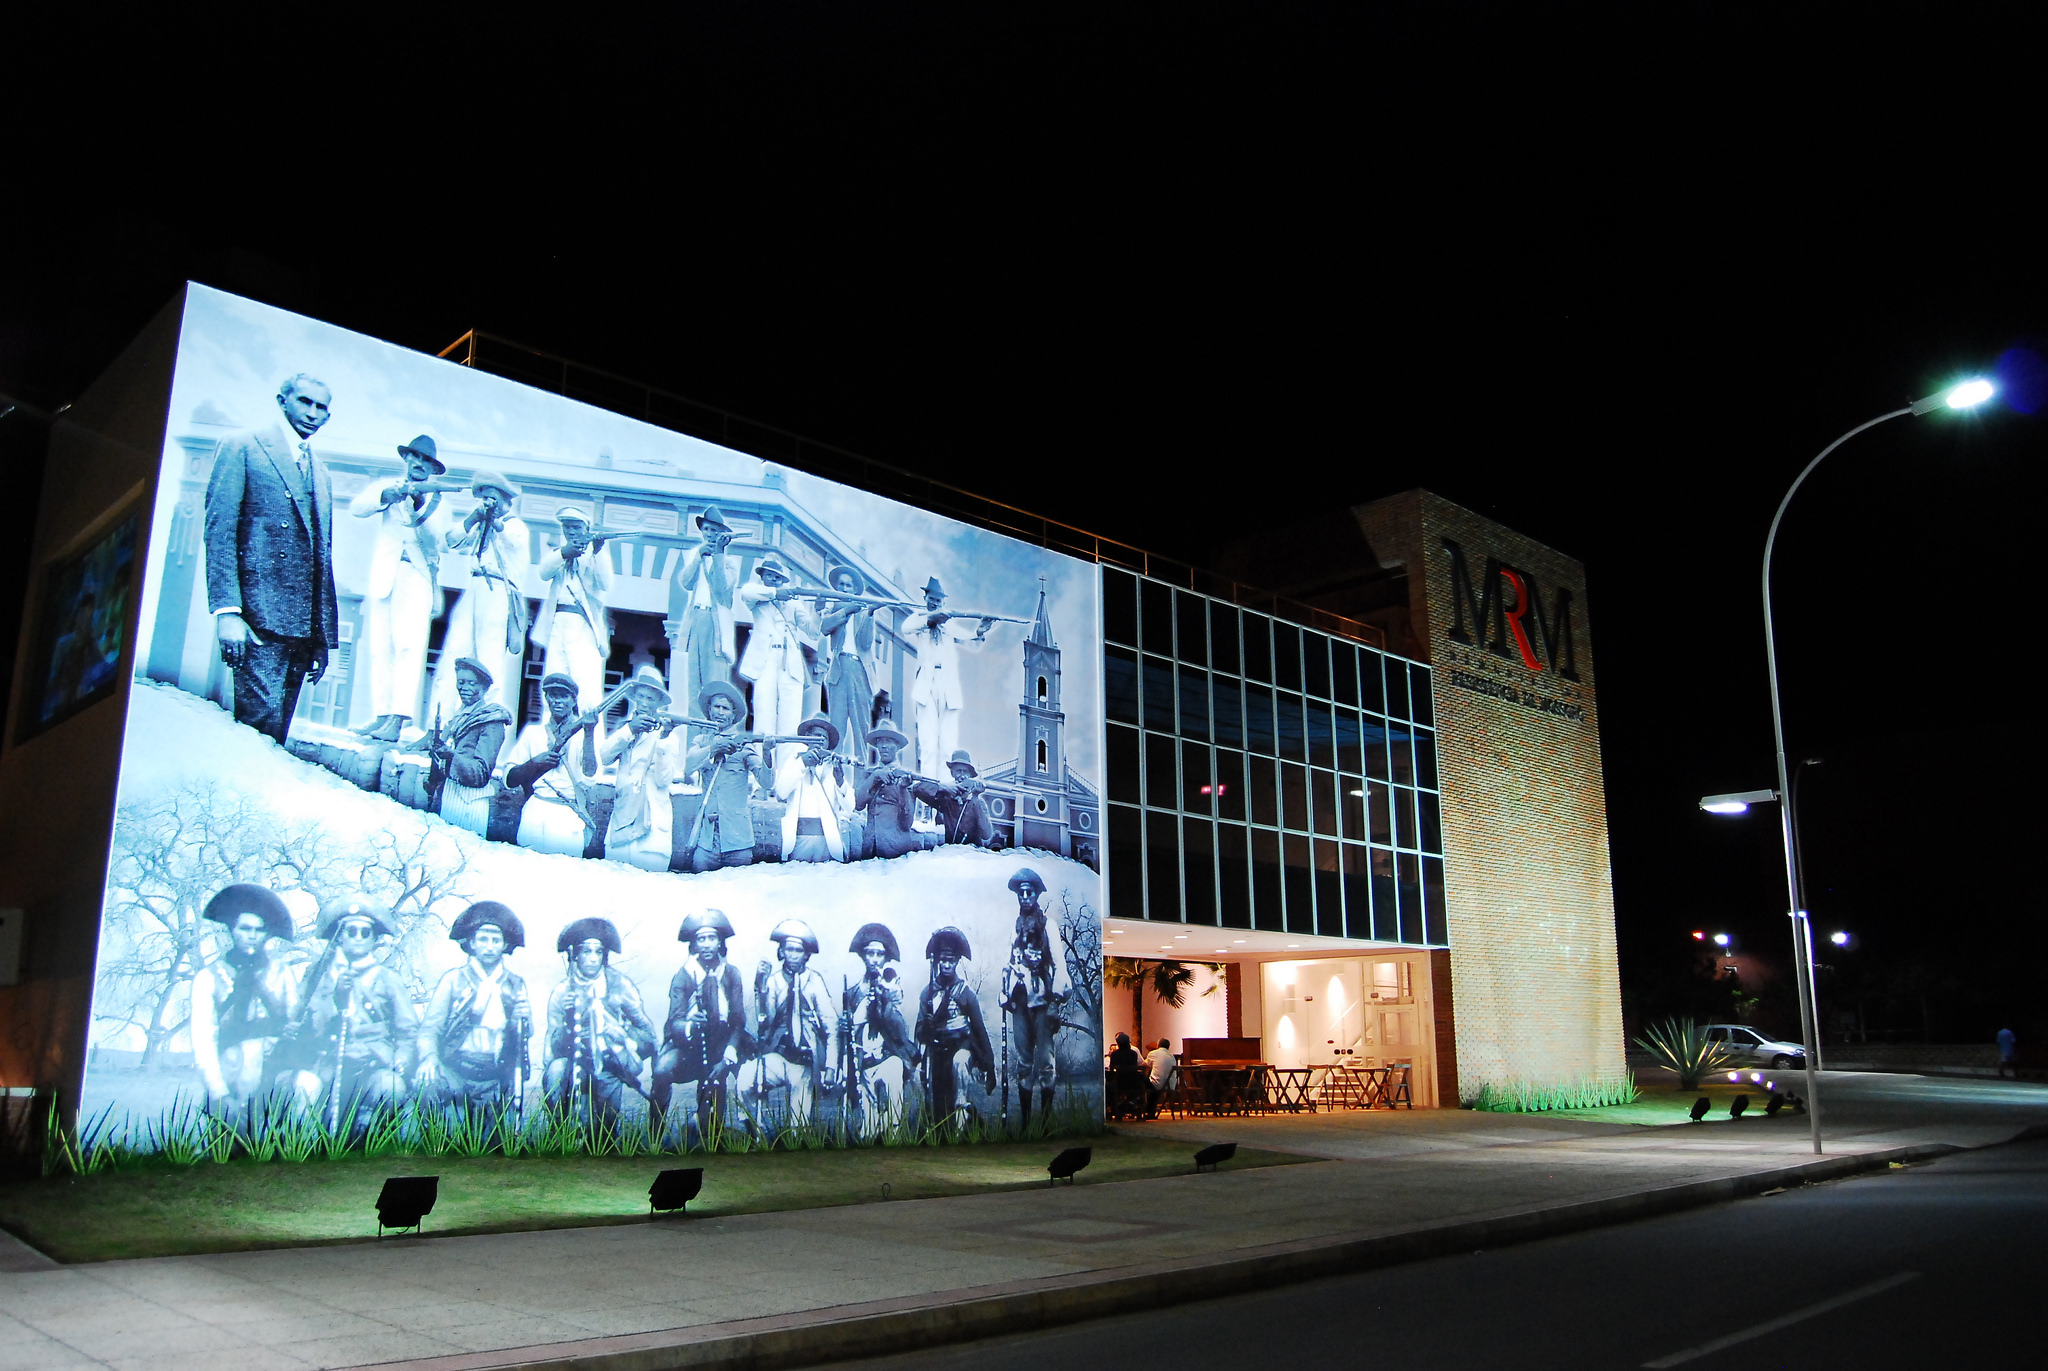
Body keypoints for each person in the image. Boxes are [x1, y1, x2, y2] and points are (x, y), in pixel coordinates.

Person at [202, 372, 339, 745]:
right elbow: (220, 530)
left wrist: (321, 638)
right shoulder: (243, 446)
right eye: (305, 402)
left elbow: (320, 559)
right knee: (255, 732)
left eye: (322, 407)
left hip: (302, 631)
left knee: (275, 735)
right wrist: (227, 612)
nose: (313, 413)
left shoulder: (321, 473)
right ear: (282, 401)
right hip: (257, 620)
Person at [347, 434, 454, 742]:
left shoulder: (438, 500)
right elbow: (358, 507)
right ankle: (381, 715)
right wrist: (388, 495)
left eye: (426, 461)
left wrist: (420, 505)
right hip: (386, 573)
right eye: (415, 457)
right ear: (406, 459)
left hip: (416, 576)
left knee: (409, 647)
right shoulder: (389, 485)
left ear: (433, 469)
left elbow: (439, 540)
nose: (419, 464)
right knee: (380, 648)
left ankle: (398, 719)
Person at [279, 898, 417, 1135]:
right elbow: (300, 1021)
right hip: (324, 1064)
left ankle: (369, 1146)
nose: (358, 937)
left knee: (390, 1087)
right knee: (304, 1093)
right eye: (351, 931)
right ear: (340, 936)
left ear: (374, 940)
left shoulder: (387, 979)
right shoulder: (317, 976)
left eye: (366, 932)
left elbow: (408, 1031)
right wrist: (333, 1000)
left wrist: (401, 1057)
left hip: (369, 1066)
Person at [429, 470, 529, 723]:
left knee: (489, 661)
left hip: (497, 592)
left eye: (493, 499)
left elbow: (510, 540)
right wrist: (474, 518)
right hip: (474, 587)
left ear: (507, 501)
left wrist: (494, 520)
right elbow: (452, 540)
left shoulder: (516, 526)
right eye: (484, 498)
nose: (488, 504)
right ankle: (437, 727)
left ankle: (483, 727)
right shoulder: (480, 523)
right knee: (453, 655)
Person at [189, 884, 298, 1115]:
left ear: (267, 934)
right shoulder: (208, 977)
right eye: (244, 928)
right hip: (230, 1073)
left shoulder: (282, 973)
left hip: (273, 1071)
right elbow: (204, 1041)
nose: (251, 935)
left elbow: (295, 1019)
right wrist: (219, 1092)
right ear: (232, 930)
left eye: (259, 930)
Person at [416, 901, 533, 1114]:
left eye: (496, 940)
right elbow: (430, 1028)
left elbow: (526, 1032)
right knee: (432, 1090)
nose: (489, 946)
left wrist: (520, 1018)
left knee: (491, 1139)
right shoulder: (453, 980)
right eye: (483, 939)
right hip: (455, 1067)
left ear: (505, 945)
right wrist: (429, 1058)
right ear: (471, 943)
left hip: (495, 1072)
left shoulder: (515, 984)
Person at [543, 917, 656, 1128]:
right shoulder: (562, 992)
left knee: (605, 1126)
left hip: (610, 1062)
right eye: (586, 951)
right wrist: (569, 1022)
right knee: (555, 1072)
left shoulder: (620, 985)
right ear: (575, 955)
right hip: (573, 1061)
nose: (593, 958)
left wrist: (623, 1037)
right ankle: (560, 1133)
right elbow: (553, 1045)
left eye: (598, 952)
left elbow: (646, 1033)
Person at [653, 909, 751, 1141]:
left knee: (710, 1129)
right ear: (694, 944)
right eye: (701, 939)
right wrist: (689, 1024)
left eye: (712, 938)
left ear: (720, 942)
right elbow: (673, 1020)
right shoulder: (683, 975)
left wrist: (728, 1055)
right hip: (687, 1048)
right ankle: (655, 1132)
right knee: (662, 1070)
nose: (707, 944)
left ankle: (740, 1129)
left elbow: (738, 1020)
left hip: (721, 1045)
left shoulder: (731, 974)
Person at [742, 919, 840, 1129]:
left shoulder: (814, 981)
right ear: (782, 952)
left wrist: (831, 1066)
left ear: (806, 954)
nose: (794, 955)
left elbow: (831, 1024)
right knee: (745, 1079)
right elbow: (763, 1021)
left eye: (798, 950)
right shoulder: (774, 981)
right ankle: (755, 1130)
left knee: (799, 1125)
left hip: (804, 1060)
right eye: (789, 950)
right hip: (778, 1056)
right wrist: (760, 987)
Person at [500, 673, 607, 857]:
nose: (557, 700)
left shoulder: (584, 735)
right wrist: (534, 763)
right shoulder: (533, 733)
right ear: (546, 698)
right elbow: (509, 779)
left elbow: (589, 778)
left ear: (574, 700)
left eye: (563, 695)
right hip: (534, 809)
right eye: (552, 695)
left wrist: (589, 732)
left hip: (567, 814)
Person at [908, 576, 995, 779]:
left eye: (938, 600)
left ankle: (945, 787)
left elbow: (970, 640)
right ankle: (928, 784)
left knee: (948, 743)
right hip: (926, 687)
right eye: (932, 598)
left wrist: (980, 630)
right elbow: (907, 628)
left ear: (943, 602)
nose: (934, 602)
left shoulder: (949, 625)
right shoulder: (919, 617)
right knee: (928, 743)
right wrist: (931, 620)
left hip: (948, 687)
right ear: (925, 598)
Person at [736, 554, 815, 771]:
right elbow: (746, 592)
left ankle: (784, 774)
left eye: (777, 577)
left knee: (790, 723)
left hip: (789, 662)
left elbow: (812, 630)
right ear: (763, 577)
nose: (773, 579)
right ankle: (762, 773)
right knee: (763, 717)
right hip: (766, 660)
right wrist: (775, 593)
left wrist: (818, 608)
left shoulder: (793, 603)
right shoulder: (757, 596)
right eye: (769, 576)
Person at [600, 665, 681, 871]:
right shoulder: (626, 728)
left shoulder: (668, 735)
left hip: (652, 827)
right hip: (622, 821)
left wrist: (663, 740)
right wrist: (629, 730)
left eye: (650, 699)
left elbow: (664, 780)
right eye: (641, 697)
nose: (644, 703)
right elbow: (605, 756)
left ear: (658, 704)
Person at [533, 506, 612, 712]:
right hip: (558, 621)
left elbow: (605, 583)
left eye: (576, 527)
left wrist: (598, 551)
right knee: (554, 681)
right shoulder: (559, 552)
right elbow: (543, 572)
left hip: (582, 624)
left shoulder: (595, 553)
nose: (571, 531)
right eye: (567, 527)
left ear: (586, 528)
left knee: (586, 687)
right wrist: (563, 553)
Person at [681, 681, 765, 872]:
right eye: (716, 707)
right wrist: (712, 749)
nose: (720, 712)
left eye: (725, 708)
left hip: (738, 838)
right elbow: (687, 767)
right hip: (706, 840)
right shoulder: (701, 741)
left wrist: (767, 753)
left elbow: (766, 782)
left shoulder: (743, 744)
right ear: (709, 711)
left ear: (733, 715)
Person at [914, 927, 994, 1126]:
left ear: (957, 961)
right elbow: (919, 1032)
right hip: (937, 1051)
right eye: (943, 960)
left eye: (951, 961)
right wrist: (927, 1026)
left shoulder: (965, 992)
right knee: (937, 1102)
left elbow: (979, 1028)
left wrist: (989, 1065)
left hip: (961, 1048)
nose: (946, 965)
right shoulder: (928, 993)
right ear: (937, 961)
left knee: (959, 1066)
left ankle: (963, 1118)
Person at [840, 923, 913, 1138]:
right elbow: (849, 1031)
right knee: (868, 1129)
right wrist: (847, 1026)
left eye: (879, 954)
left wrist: (885, 998)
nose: (873, 959)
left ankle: (894, 1132)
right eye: (869, 953)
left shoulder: (893, 989)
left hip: (887, 1057)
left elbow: (899, 1029)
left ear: (886, 958)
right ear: (863, 956)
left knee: (894, 1076)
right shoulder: (852, 993)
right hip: (863, 1061)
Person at [672, 505, 739, 738]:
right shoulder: (696, 555)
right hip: (696, 621)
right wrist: (700, 556)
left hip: (715, 626)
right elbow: (686, 582)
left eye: (715, 530)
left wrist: (718, 556)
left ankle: (714, 740)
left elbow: (721, 590)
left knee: (715, 687)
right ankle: (693, 744)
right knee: (694, 688)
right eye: (707, 529)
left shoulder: (730, 563)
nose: (710, 534)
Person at [429, 657, 512, 836]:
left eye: (471, 683)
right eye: (461, 682)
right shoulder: (457, 718)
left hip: (469, 801)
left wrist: (451, 756)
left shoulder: (491, 721)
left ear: (483, 688)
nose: (464, 688)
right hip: (449, 793)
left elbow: (480, 774)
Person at [816, 566, 882, 761]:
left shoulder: (862, 611)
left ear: (855, 590)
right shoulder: (833, 610)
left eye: (848, 586)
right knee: (836, 727)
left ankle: (861, 779)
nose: (844, 589)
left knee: (861, 726)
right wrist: (845, 610)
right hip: (838, 669)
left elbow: (865, 643)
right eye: (841, 585)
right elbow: (824, 627)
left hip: (859, 670)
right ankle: (832, 777)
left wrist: (869, 614)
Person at [1001, 930, 1061, 1132]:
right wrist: (1008, 992)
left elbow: (1061, 990)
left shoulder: (1048, 970)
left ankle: (1046, 1120)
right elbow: (1005, 995)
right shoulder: (1014, 969)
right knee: (1024, 1063)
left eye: (1038, 953)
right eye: (1030, 953)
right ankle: (1025, 1122)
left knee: (1046, 1062)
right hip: (1022, 1013)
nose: (1034, 957)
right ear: (1023, 951)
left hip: (1042, 1013)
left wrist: (1054, 1004)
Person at [774, 713, 855, 862]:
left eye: (824, 738)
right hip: (798, 840)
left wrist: (840, 781)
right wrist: (802, 763)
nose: (820, 740)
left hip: (827, 842)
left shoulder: (833, 767)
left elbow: (849, 807)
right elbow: (781, 792)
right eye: (816, 736)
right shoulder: (794, 762)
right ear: (806, 739)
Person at [856, 718, 939, 859]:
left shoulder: (906, 778)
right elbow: (858, 805)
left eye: (888, 741)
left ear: (897, 746)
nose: (884, 746)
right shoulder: (870, 774)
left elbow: (906, 822)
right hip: (869, 849)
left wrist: (902, 789)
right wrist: (874, 778)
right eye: (880, 742)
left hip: (895, 850)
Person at [919, 749, 996, 847]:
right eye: (959, 771)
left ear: (970, 775)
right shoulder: (946, 798)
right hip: (952, 853)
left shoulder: (979, 802)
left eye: (965, 772)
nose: (962, 776)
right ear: (952, 773)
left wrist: (975, 798)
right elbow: (918, 789)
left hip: (973, 854)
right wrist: (943, 787)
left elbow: (986, 835)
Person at [1143, 1037, 1177, 1118]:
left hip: (1157, 1084)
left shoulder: (1153, 1053)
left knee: (1142, 1079)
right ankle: (1149, 1111)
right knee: (1151, 1085)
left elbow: (1144, 1065)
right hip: (1170, 1084)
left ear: (1158, 1045)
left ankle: (1140, 1108)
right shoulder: (1171, 1056)